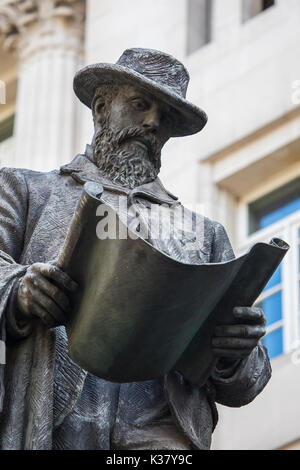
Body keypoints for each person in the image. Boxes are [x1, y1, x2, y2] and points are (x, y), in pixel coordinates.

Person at [0, 48, 271, 450]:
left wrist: (237, 350)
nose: (151, 124)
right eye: (141, 105)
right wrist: (21, 289)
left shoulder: (203, 233)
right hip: (55, 423)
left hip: (163, 435)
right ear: (101, 107)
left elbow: (246, 383)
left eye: (164, 118)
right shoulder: (27, 191)